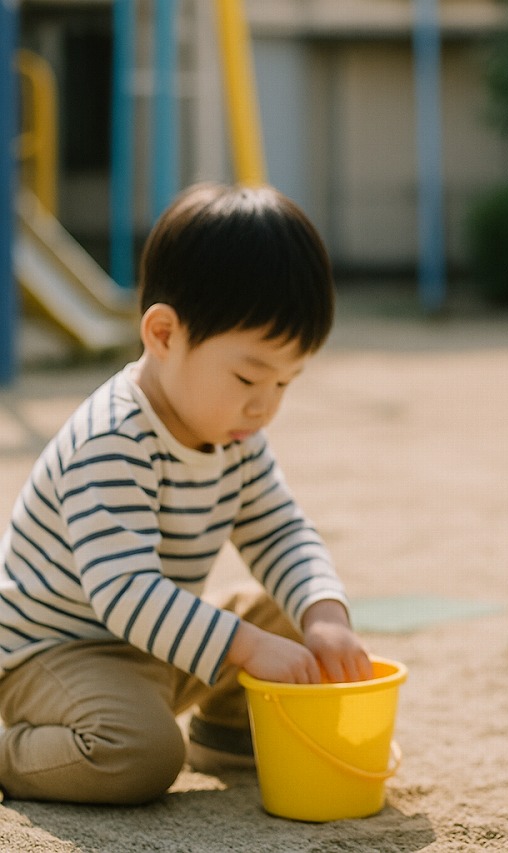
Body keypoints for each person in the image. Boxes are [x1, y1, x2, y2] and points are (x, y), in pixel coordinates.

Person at [0, 183, 372, 805]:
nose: (265, 405)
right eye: (248, 377)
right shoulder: (113, 438)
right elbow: (125, 593)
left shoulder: (235, 434)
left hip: (153, 646)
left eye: (285, 382)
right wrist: (247, 646)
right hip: (56, 655)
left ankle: (226, 732)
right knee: (140, 756)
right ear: (164, 334)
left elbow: (279, 531)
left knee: (290, 615)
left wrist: (325, 614)